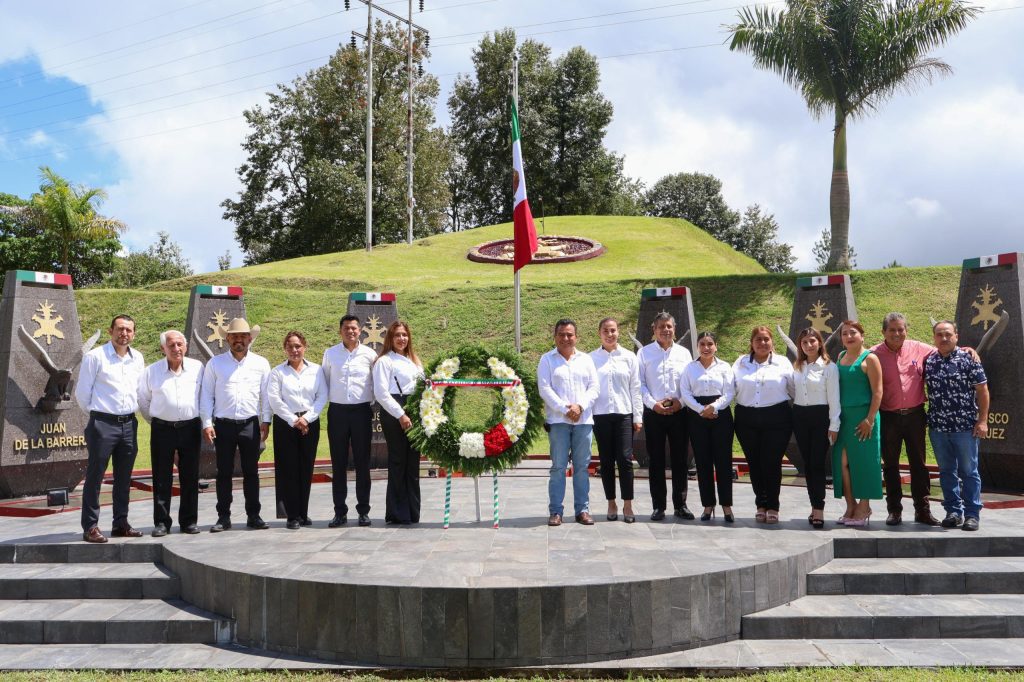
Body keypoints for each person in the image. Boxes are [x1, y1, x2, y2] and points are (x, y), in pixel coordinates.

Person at [75, 315, 146, 543]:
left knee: (123, 478)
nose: (124, 333)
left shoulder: (138, 359)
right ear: (110, 331)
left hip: (129, 424)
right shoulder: (95, 357)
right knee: (95, 476)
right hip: (102, 424)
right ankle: (91, 526)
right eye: (120, 329)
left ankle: (121, 523)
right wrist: (98, 416)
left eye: (128, 330)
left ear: (133, 334)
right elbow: (82, 394)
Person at [200, 317, 272, 532]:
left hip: (250, 424)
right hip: (223, 425)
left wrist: (266, 420)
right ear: (227, 339)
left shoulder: (261, 363)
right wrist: (206, 422)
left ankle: (254, 515)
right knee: (223, 473)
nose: (238, 340)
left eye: (242, 336)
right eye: (234, 336)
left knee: (251, 472)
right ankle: (223, 517)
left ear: (250, 338)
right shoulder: (215, 363)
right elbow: (206, 395)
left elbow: (266, 396)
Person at [871, 312, 941, 526]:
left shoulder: (919, 349)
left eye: (901, 329)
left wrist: (968, 350)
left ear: (906, 330)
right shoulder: (873, 354)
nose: (897, 333)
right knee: (890, 464)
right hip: (888, 417)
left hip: (915, 416)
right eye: (892, 330)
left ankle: (923, 510)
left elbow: (946, 350)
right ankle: (894, 510)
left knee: (918, 464)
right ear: (883, 332)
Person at [923, 321, 989, 531]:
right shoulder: (930, 360)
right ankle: (953, 511)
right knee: (946, 471)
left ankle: (972, 514)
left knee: (969, 471)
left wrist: (983, 420)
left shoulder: (969, 359)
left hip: (964, 427)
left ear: (956, 336)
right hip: (938, 427)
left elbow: (982, 391)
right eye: (939, 334)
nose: (944, 338)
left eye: (948, 334)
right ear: (934, 338)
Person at [137, 330, 204, 536]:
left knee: (190, 475)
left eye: (179, 344)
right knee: (161, 476)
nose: (176, 349)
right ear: (162, 348)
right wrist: (157, 420)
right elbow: (143, 400)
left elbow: (204, 396)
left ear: (185, 346)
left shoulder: (198, 368)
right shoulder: (151, 371)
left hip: (190, 427)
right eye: (171, 345)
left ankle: (189, 521)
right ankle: (162, 522)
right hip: (162, 429)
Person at [538, 318, 600, 526]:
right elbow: (544, 389)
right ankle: (556, 511)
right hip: (558, 421)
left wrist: (579, 407)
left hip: (583, 421)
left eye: (569, 334)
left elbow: (594, 388)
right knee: (558, 467)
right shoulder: (547, 360)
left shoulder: (586, 359)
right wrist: (566, 408)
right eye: (561, 334)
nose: (566, 338)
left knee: (582, 467)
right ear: (555, 337)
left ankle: (582, 510)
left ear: (576, 337)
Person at [732, 326, 793, 524]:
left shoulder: (782, 362)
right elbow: (729, 387)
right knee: (754, 463)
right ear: (752, 342)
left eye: (766, 339)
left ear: (772, 342)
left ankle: (773, 506)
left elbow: (794, 390)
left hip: (777, 418)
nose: (762, 343)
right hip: (746, 418)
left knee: (772, 462)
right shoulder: (741, 363)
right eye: (758, 339)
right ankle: (761, 504)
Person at [267, 331, 328, 529]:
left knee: (306, 467)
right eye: (290, 346)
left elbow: (321, 397)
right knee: (288, 469)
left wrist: (307, 418)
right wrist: (295, 420)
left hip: (310, 423)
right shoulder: (277, 372)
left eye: (298, 346)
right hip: (286, 423)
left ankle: (303, 512)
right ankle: (291, 515)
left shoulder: (317, 370)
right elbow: (275, 400)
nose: (294, 350)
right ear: (285, 349)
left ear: (305, 347)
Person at [637, 312, 694, 521]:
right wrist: (654, 404)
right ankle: (658, 506)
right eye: (661, 326)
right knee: (656, 460)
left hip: (679, 412)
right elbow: (639, 384)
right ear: (654, 329)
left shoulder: (684, 353)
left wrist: (681, 401)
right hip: (655, 413)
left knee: (680, 460)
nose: (665, 330)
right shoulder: (644, 353)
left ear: (674, 329)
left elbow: (689, 383)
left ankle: (681, 504)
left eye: (669, 326)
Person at [321, 314, 377, 527]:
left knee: (363, 463)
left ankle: (363, 511)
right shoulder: (331, 354)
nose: (350, 331)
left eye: (354, 328)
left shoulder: (370, 354)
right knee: (338, 464)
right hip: (338, 413)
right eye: (346, 328)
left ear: (360, 330)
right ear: (340, 331)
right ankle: (339, 512)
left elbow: (375, 383)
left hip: (362, 412)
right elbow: (325, 381)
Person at [589, 318, 643, 523]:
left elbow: (635, 388)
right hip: (600, 415)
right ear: (599, 333)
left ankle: (628, 504)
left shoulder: (629, 357)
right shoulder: (591, 358)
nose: (610, 334)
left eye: (613, 330)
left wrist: (638, 416)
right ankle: (611, 502)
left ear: (618, 332)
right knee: (606, 461)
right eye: (605, 331)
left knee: (625, 459)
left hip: (623, 414)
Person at [679, 331, 735, 523]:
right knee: (702, 462)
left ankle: (726, 505)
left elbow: (729, 392)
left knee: (723, 462)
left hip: (721, 415)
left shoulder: (725, 367)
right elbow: (685, 392)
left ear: (716, 346)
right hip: (697, 416)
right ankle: (707, 505)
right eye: (702, 344)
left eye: (710, 344)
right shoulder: (690, 368)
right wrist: (700, 409)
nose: (706, 348)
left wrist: (714, 407)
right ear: (697, 347)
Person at [373, 320, 424, 525]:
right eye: (397, 335)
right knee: (398, 460)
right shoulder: (385, 361)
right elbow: (381, 393)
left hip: (415, 408)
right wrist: (400, 414)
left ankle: (412, 511)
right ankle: (396, 512)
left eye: (404, 335)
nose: (402, 339)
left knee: (413, 461)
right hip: (396, 409)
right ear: (390, 339)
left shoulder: (415, 360)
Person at [834, 320, 884, 527]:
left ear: (862, 335)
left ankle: (864, 506)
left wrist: (869, 419)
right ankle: (850, 505)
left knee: (864, 462)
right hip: (842, 419)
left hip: (864, 418)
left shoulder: (870, 358)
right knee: (842, 463)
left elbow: (878, 391)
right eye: (845, 334)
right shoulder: (840, 357)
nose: (849, 337)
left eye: (853, 333)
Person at [791, 327, 840, 529]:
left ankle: (819, 508)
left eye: (812, 341)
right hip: (800, 417)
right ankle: (813, 506)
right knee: (808, 466)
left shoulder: (829, 367)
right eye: (804, 342)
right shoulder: (798, 367)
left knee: (818, 464)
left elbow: (834, 399)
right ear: (800, 346)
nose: (809, 345)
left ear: (820, 343)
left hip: (821, 417)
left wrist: (834, 425)